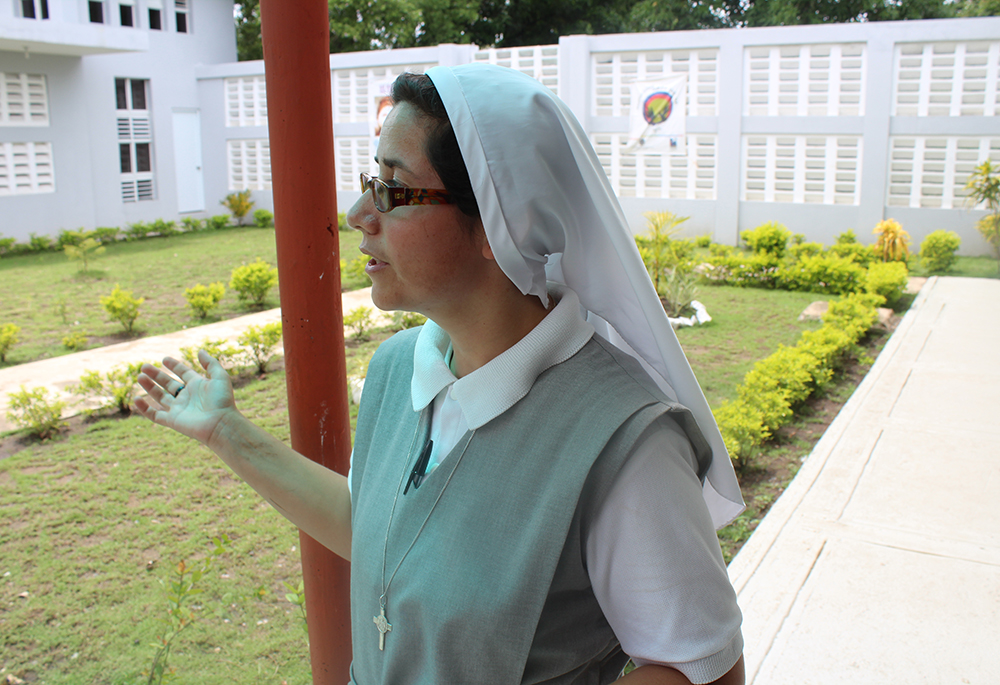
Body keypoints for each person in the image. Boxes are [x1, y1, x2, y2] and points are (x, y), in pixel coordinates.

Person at [136, 64, 746, 685]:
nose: (356, 214)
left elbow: (702, 670)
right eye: (371, 179)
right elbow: (377, 532)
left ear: (495, 223)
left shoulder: (623, 442)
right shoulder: (397, 366)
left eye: (394, 191)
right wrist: (225, 432)